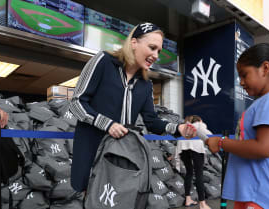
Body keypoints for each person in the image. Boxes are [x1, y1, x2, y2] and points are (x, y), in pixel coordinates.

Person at [69, 22, 196, 192]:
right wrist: (107, 124)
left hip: (121, 157)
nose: (155, 55)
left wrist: (179, 128)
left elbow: (152, 122)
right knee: (91, 198)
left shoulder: (145, 85)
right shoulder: (103, 61)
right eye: (152, 47)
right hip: (91, 151)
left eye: (158, 51)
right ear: (134, 43)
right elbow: (76, 102)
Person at [206, 43, 269, 209]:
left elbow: (264, 148)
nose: (241, 82)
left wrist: (222, 143)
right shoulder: (268, 100)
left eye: (244, 75)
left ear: (265, 68)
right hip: (256, 192)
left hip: (264, 195)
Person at [175, 115, 211, 209]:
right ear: (199, 120)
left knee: (189, 172)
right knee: (199, 174)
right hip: (196, 147)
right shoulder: (199, 125)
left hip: (183, 148)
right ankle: (202, 204)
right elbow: (209, 135)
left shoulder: (185, 127)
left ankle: (188, 199)